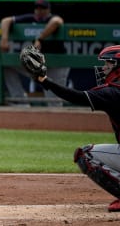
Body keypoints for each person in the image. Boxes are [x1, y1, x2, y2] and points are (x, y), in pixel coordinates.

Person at [28, 45, 120, 212]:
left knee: (85, 155)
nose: (105, 68)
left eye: (109, 64)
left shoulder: (112, 93)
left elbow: (75, 97)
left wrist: (44, 80)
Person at [0, 0, 69, 107]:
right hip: (38, 63)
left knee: (54, 104)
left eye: (42, 8)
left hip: (56, 65)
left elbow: (57, 21)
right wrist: (4, 39)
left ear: (48, 9)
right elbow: (6, 21)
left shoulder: (52, 18)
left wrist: (40, 39)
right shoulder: (31, 18)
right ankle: (20, 100)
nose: (39, 10)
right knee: (7, 64)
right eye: (37, 7)